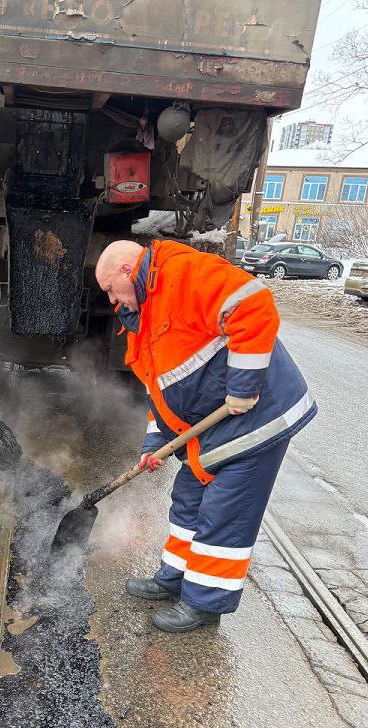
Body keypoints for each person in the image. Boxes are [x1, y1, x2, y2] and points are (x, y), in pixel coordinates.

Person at [95, 239, 317, 634]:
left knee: (224, 513)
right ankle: (174, 578)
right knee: (187, 500)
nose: (112, 301)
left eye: (111, 289)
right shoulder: (142, 318)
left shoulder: (181, 273)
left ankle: (204, 603)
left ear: (128, 271)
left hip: (254, 421)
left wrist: (244, 385)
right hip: (212, 428)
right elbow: (160, 391)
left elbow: (253, 304)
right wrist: (155, 445)